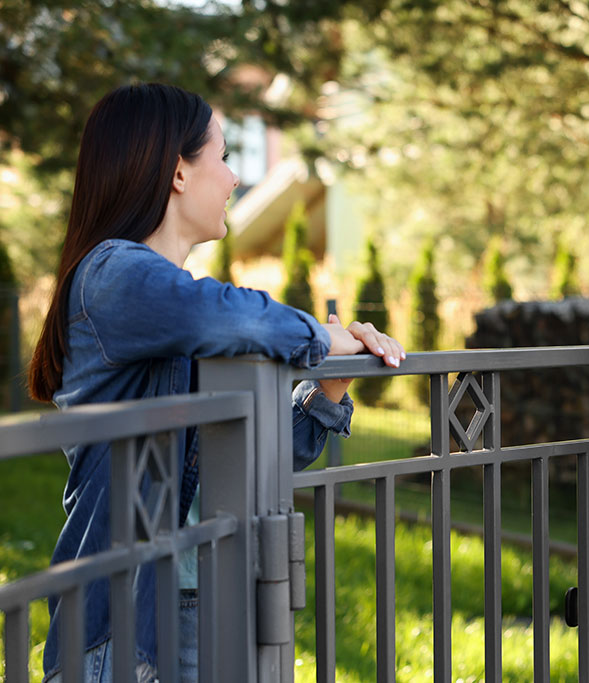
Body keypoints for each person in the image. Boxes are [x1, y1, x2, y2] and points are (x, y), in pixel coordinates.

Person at [28, 83, 406, 683]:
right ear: (178, 173)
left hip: (205, 596)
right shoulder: (112, 275)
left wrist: (329, 389)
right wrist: (322, 338)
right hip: (128, 623)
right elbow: (222, 312)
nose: (234, 179)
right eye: (224, 157)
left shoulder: (165, 302)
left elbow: (238, 463)